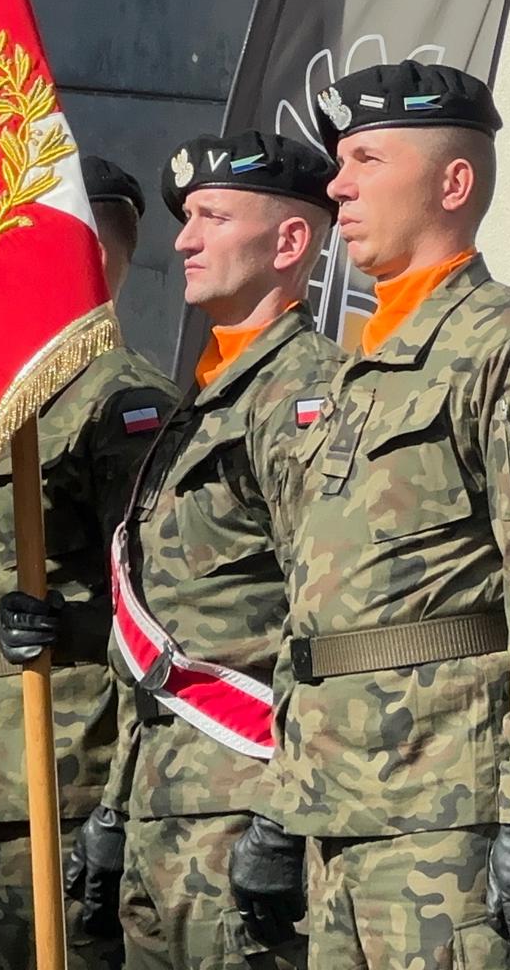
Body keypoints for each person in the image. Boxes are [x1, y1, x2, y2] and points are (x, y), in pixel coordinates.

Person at [259, 59, 510, 969]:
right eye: (341, 163)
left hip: (453, 815)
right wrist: (282, 797)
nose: (337, 187)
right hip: (337, 814)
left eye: (367, 160)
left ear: (453, 184)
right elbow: (317, 604)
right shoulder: (353, 372)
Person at [73, 131, 344, 970]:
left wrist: (286, 814)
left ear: (289, 242)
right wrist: (116, 802)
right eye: (186, 219)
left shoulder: (308, 396)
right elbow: (163, 625)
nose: (185, 240)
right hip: (162, 807)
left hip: (241, 811)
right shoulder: (200, 401)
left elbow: (328, 618)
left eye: (213, 218)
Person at [0, 156, 178, 970]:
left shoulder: (122, 401)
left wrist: (71, 625)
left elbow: (169, 609)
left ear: (82, 249)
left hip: (63, 776)